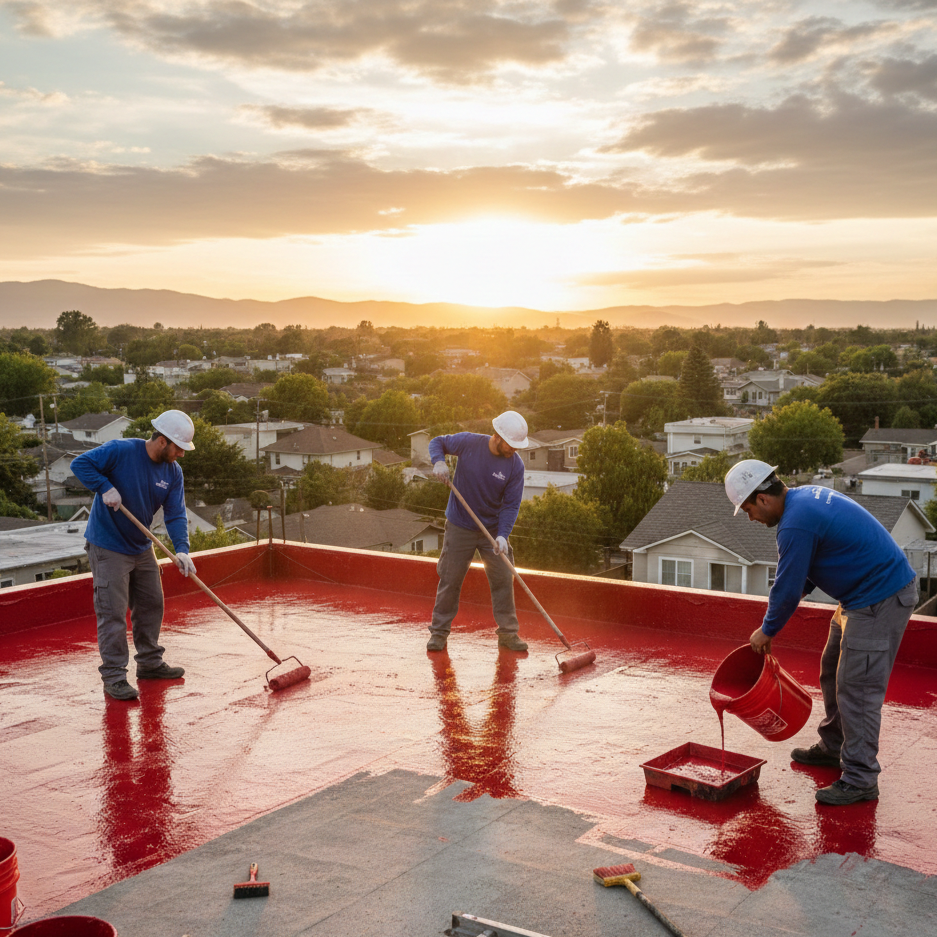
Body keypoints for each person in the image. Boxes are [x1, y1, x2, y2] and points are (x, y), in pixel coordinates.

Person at [725, 459, 917, 805]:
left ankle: (860, 778)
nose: (751, 518)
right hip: (859, 597)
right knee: (833, 670)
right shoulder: (804, 500)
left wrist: (767, 631)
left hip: (878, 599)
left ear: (763, 499)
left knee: (857, 689)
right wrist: (790, 599)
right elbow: (809, 567)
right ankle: (834, 746)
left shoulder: (794, 524)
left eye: (749, 509)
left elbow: (785, 587)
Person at [72, 409, 197, 701]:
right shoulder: (121, 451)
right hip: (108, 545)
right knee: (113, 613)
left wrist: (182, 549)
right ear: (163, 441)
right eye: (178, 448)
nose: (181, 454)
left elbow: (176, 513)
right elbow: (80, 464)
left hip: (141, 546)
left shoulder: (173, 473)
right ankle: (114, 677)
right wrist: (104, 487)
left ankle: (150, 664)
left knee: (152, 604)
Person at [426, 411, 529, 653]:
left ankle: (508, 634)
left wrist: (502, 535)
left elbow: (511, 504)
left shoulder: (515, 466)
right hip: (460, 525)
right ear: (498, 437)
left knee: (503, 578)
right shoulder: (469, 442)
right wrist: (438, 461)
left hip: (491, 531)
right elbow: (437, 442)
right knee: (450, 579)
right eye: (511, 445)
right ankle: (439, 632)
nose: (514, 450)